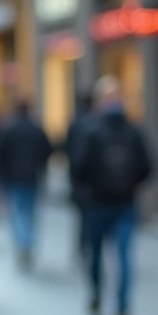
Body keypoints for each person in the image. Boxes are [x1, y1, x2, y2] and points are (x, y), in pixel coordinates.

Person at [72, 76, 154, 315]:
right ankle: (122, 307)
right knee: (123, 257)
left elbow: (80, 168)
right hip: (125, 203)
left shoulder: (92, 130)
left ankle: (97, 294)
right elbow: (148, 168)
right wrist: (130, 185)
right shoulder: (133, 130)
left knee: (96, 254)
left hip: (98, 203)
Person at [0, 99, 53, 269]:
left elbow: (0, 155)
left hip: (14, 178)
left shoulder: (9, 129)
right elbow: (48, 150)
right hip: (32, 177)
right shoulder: (36, 129)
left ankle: (23, 241)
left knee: (18, 212)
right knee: (30, 212)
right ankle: (28, 242)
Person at [62, 92, 97, 265]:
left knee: (83, 217)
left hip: (79, 179)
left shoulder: (75, 124)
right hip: (94, 180)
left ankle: (84, 247)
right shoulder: (97, 122)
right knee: (90, 216)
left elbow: (67, 149)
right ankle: (89, 246)